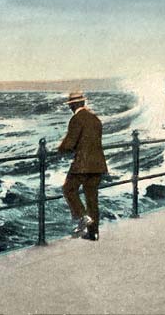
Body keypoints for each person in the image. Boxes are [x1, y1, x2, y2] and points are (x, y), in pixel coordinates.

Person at [58, 91, 108, 240]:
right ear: (84, 103)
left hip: (82, 165)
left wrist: (59, 149)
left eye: (70, 105)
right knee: (92, 198)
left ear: (73, 105)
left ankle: (81, 216)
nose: (70, 108)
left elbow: (70, 143)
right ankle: (93, 233)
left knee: (68, 189)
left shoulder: (76, 119)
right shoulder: (95, 119)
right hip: (98, 164)